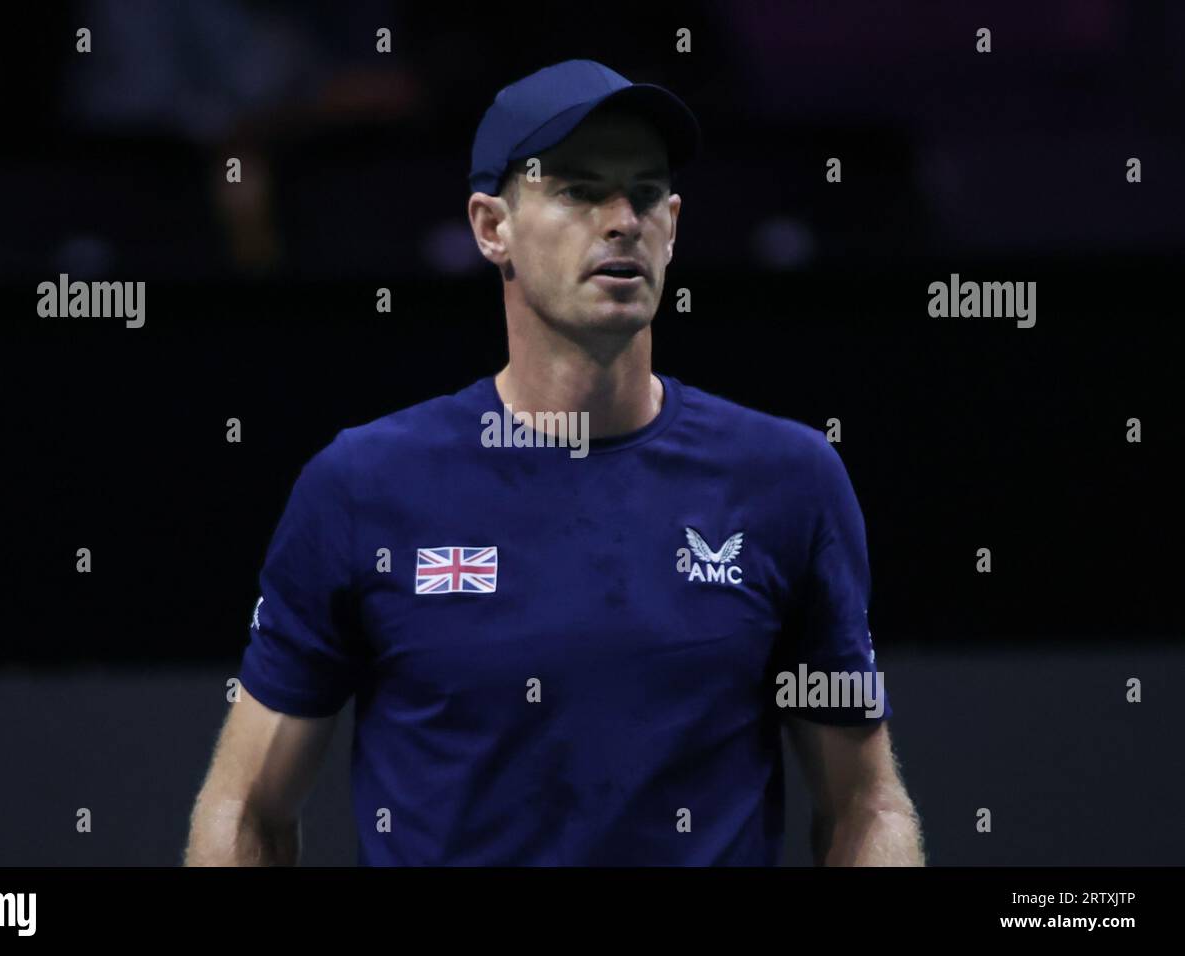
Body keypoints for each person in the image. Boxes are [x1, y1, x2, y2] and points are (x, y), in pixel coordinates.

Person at [186, 59, 924, 866]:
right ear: (490, 226)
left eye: (645, 195)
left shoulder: (789, 479)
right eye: (576, 190)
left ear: (672, 225)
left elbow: (865, 805)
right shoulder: (363, 487)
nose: (621, 220)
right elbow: (246, 810)